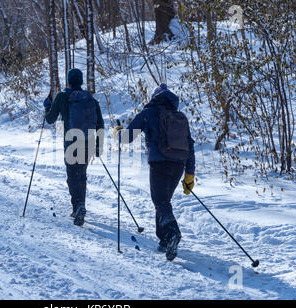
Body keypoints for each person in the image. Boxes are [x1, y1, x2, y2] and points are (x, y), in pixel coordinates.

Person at [114, 83, 195, 261]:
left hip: (160, 163)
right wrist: (189, 175)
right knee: (163, 201)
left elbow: (127, 137)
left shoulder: (149, 113)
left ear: (155, 97)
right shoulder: (180, 117)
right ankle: (164, 239)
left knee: (160, 201)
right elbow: (190, 145)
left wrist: (118, 132)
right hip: (178, 165)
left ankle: (173, 233)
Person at [44, 69, 105, 227]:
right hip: (88, 142)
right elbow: (100, 123)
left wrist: (47, 106)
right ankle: (80, 205)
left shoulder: (62, 97)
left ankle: (78, 206)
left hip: (71, 143)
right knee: (81, 174)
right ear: (81, 81)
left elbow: (50, 119)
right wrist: (99, 146)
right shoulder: (89, 98)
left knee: (72, 175)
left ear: (69, 81)